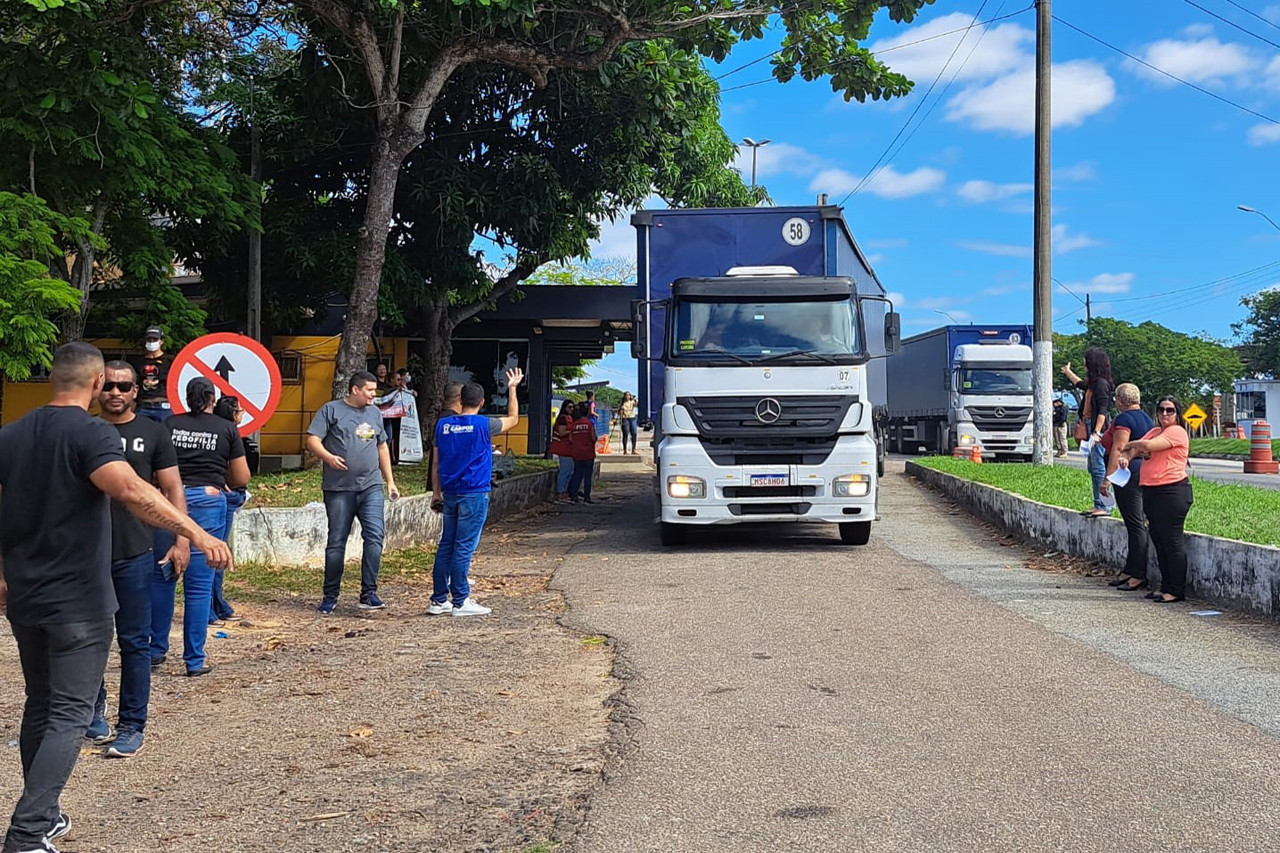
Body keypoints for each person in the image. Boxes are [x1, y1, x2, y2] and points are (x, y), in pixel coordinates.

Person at [0, 343, 230, 853]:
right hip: (78, 600)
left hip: (26, 598)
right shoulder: (92, 433)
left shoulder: (10, 435)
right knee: (69, 713)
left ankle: (46, 814)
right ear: (99, 380)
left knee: (41, 704)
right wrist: (198, 533)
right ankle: (27, 832)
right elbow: (130, 490)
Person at [85, 361, 190, 760]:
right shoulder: (85, 430)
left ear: (135, 392)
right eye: (108, 385)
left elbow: (172, 488)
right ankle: (92, 711)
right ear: (98, 388)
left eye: (123, 386)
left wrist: (182, 540)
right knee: (88, 641)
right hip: (86, 555)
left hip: (133, 552)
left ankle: (131, 724)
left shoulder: (152, 432)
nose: (115, 392)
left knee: (134, 643)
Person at [153, 377, 250, 677]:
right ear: (211, 398)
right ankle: (194, 660)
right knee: (198, 587)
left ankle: (155, 650)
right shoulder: (227, 429)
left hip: (168, 502)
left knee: (162, 577)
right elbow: (241, 478)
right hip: (207, 501)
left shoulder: (168, 424)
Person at [427, 369, 523, 617]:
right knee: (464, 547)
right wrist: (512, 388)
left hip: (449, 491)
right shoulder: (484, 424)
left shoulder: (443, 425)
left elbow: (435, 463)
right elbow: (513, 418)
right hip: (474, 491)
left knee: (446, 544)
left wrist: (436, 493)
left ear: (460, 401)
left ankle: (439, 599)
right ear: (481, 402)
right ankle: (461, 600)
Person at [307, 371, 400, 615]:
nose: (373, 395)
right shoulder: (331, 410)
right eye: (369, 390)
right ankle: (330, 594)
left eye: (374, 390)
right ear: (355, 390)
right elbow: (312, 440)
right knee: (337, 541)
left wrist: (389, 481)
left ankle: (368, 592)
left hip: (370, 487)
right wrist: (328, 457)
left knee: (375, 536)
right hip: (339, 489)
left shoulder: (374, 413)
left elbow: (381, 446)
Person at [1119, 396, 1193, 604]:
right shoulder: (1154, 430)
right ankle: (1165, 585)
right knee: (1158, 540)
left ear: (1177, 413)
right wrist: (1128, 457)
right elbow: (1136, 449)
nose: (1165, 414)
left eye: (1170, 410)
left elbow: (1148, 445)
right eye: (1161, 410)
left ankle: (1176, 589)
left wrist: (1129, 443)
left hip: (1172, 491)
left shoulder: (1177, 432)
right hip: (1151, 490)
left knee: (1172, 541)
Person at [1101, 383, 1155, 594]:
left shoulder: (1123, 419)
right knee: (1136, 523)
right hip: (1142, 470)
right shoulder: (1146, 418)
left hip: (1127, 473)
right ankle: (1130, 569)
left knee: (1135, 525)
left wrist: (1108, 478)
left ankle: (1137, 574)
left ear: (1120, 401)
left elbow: (1118, 448)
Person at [210, 395, 249, 626]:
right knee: (217, 553)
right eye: (241, 410)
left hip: (227, 493)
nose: (243, 413)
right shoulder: (229, 433)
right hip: (226, 494)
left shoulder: (216, 430)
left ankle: (218, 603)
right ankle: (214, 606)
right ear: (234, 414)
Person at [1062, 348, 1114, 518]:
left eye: (1086, 362)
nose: (1084, 365)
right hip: (1090, 426)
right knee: (1093, 467)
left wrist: (1097, 432)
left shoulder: (1101, 385)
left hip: (1096, 429)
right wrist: (1068, 372)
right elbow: (1080, 384)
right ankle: (1099, 503)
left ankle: (1105, 505)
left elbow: (1102, 411)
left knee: (1099, 468)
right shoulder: (1093, 383)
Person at [130, 326, 172, 423]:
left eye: (155, 339)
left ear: (161, 341)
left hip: (164, 406)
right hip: (143, 406)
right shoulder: (138, 362)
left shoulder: (170, 361)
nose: (151, 341)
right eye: (149, 339)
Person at [567, 405, 598, 504]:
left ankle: (574, 495)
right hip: (588, 453)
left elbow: (570, 439)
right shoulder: (589, 424)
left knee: (577, 474)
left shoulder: (574, 425)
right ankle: (587, 497)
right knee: (588, 476)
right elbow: (593, 438)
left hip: (577, 453)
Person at [375, 363, 403, 464]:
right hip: (377, 415)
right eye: (380, 369)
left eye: (384, 369)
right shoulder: (375, 383)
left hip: (388, 416)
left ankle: (385, 458)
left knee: (389, 437)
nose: (382, 371)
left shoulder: (389, 385)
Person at [550, 402, 576, 503]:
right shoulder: (563, 418)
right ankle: (560, 493)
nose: (572, 409)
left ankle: (564, 492)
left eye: (573, 407)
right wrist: (573, 432)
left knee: (570, 471)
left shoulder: (570, 418)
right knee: (565, 471)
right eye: (570, 407)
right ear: (565, 408)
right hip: (563, 448)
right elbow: (561, 432)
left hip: (569, 448)